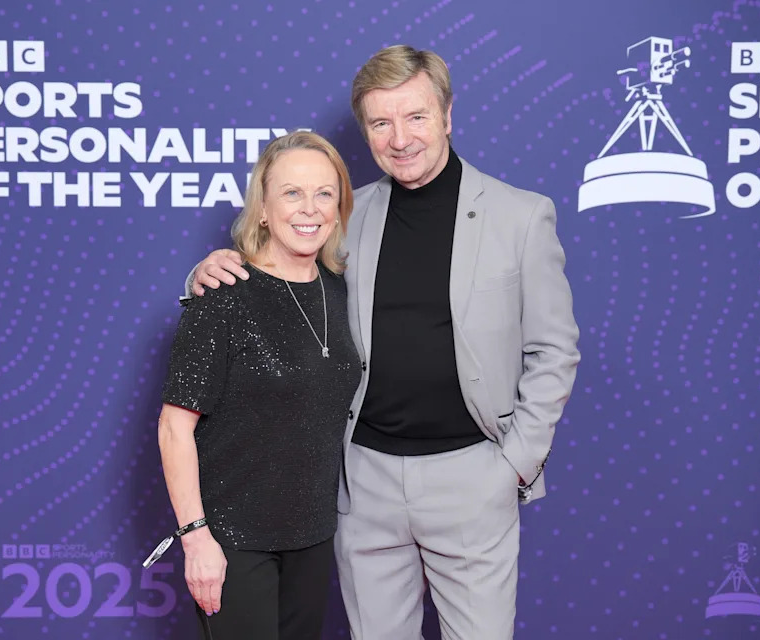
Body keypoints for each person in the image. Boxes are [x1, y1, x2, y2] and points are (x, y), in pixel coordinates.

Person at [187, 46, 580, 640]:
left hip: (473, 474)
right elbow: (274, 276)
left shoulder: (521, 216)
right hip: (362, 481)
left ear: (447, 115)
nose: (400, 138)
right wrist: (206, 275)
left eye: (416, 117)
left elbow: (554, 351)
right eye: (381, 123)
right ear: (366, 131)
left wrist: (513, 465)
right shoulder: (348, 214)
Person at [158, 131, 361, 640]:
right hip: (233, 542)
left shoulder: (341, 293)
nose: (309, 208)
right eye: (291, 192)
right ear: (264, 208)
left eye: (324, 193)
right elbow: (173, 429)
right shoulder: (223, 296)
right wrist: (195, 538)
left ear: (339, 208)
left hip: (313, 538)